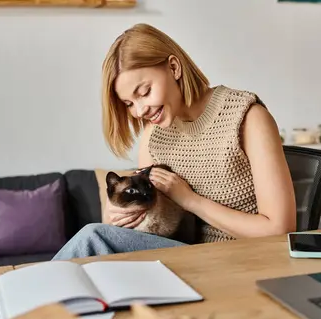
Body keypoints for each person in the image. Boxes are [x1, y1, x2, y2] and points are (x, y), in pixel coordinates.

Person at [52, 23, 296, 261]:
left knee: (92, 238)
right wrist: (117, 215)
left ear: (173, 67)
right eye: (129, 104)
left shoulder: (247, 117)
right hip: (179, 257)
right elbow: (143, 225)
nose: (138, 111)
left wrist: (190, 201)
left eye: (144, 92)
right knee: (97, 239)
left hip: (239, 260)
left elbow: (279, 230)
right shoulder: (153, 134)